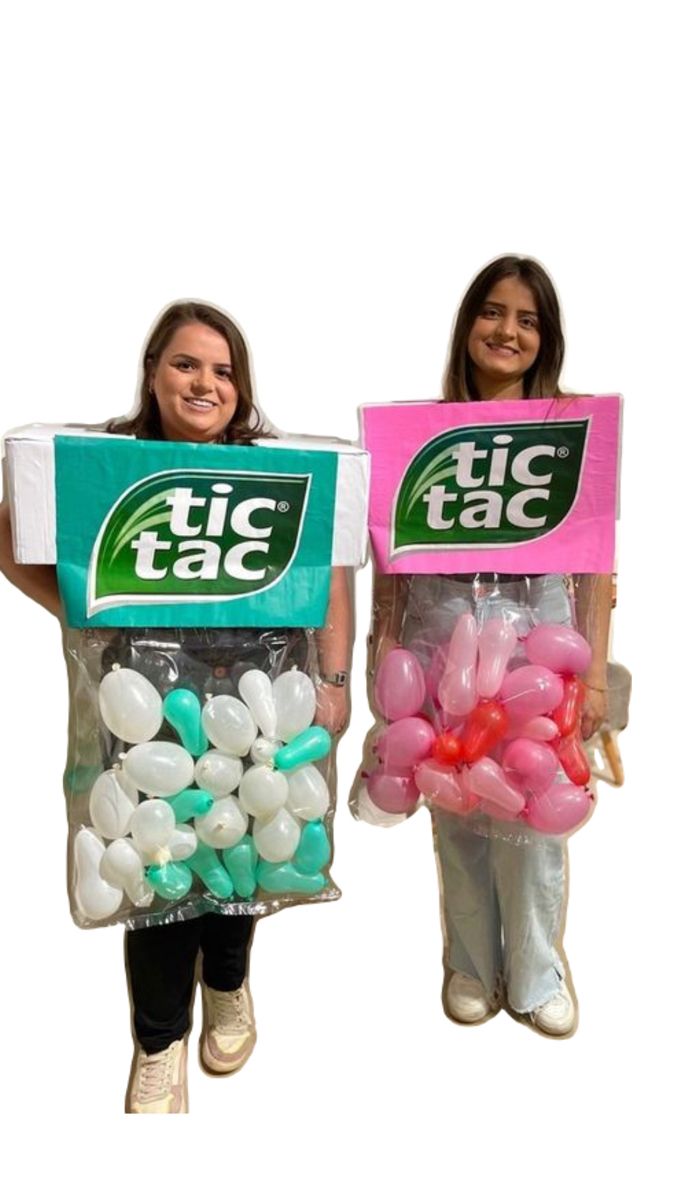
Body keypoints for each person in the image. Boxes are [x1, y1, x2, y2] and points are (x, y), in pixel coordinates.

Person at [0, 301, 353, 1111]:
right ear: (153, 373)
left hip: (257, 703)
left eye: (223, 371)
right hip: (146, 705)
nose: (205, 383)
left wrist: (332, 681)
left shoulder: (276, 468)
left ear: (242, 388)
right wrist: (80, 606)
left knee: (243, 847)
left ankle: (227, 983)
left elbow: (332, 566)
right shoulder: (106, 467)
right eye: (186, 364)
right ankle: (159, 1043)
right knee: (156, 872)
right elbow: (9, 527)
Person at [370, 256, 612, 1036]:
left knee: (534, 810)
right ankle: (469, 965)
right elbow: (389, 553)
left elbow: (596, 558)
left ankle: (537, 972)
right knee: (457, 806)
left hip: (537, 635)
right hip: (440, 633)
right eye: (492, 312)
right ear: (468, 323)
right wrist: (383, 643)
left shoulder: (568, 431)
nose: (506, 330)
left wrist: (598, 671)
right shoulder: (421, 435)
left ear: (545, 338)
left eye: (526, 318)